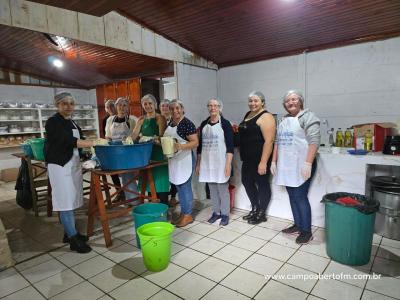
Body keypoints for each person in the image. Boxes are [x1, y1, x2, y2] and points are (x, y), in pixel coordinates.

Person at [45, 92, 97, 253]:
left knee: (71, 199)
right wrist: (93, 142)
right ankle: (74, 241)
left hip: (72, 165)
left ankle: (69, 233)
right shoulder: (53, 122)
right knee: (65, 202)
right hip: (60, 167)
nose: (68, 107)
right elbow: (67, 140)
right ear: (57, 105)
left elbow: (79, 139)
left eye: (71, 103)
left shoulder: (72, 122)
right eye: (64, 103)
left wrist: (89, 152)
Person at [271, 90, 320, 244]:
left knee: (300, 196)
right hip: (287, 165)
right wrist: (274, 161)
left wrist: (308, 163)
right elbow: (278, 142)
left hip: (303, 164)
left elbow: (314, 141)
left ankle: (306, 231)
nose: (290, 102)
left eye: (293, 99)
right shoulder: (284, 120)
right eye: (287, 101)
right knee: (292, 196)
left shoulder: (308, 117)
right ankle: (298, 225)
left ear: (300, 101)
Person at [239, 91, 276, 224]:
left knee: (262, 184)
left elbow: (269, 141)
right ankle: (255, 207)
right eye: (250, 101)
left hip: (260, 158)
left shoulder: (267, 117)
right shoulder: (248, 114)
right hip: (247, 158)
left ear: (262, 102)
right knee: (246, 182)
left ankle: (262, 213)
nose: (252, 103)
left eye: (256, 101)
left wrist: (263, 162)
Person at [196, 98, 234, 226]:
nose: (212, 108)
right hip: (207, 163)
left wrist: (228, 164)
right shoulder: (203, 124)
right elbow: (200, 147)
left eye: (215, 106)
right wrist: (198, 163)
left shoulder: (225, 124)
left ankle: (225, 214)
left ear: (219, 108)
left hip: (221, 163)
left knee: (223, 190)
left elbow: (230, 146)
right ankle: (216, 212)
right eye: (210, 106)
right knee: (212, 190)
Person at [163, 100, 199, 227]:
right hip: (175, 160)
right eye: (172, 108)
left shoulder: (186, 123)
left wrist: (179, 146)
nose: (175, 111)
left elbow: (195, 142)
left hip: (185, 159)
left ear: (182, 109)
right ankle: (184, 213)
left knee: (185, 187)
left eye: (177, 108)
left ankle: (188, 215)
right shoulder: (170, 123)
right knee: (179, 187)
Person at [132, 94, 170, 204]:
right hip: (146, 155)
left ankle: (163, 207)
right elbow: (134, 134)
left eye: (150, 103)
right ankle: (153, 208)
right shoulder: (141, 119)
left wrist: (148, 138)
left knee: (160, 183)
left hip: (158, 154)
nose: (148, 106)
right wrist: (128, 139)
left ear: (155, 104)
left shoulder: (160, 118)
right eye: (145, 104)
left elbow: (162, 136)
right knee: (149, 182)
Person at [105, 97, 137, 200]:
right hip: (114, 151)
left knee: (128, 176)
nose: (121, 108)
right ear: (116, 106)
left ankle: (132, 198)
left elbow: (134, 137)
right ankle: (120, 193)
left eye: (124, 105)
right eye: (119, 105)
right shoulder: (110, 120)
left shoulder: (131, 120)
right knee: (112, 173)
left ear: (127, 108)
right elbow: (108, 137)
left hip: (127, 152)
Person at [160, 99, 178, 206]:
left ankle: (173, 196)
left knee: (173, 174)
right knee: (164, 175)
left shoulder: (173, 121)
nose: (164, 108)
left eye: (167, 106)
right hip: (161, 151)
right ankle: (163, 196)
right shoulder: (158, 119)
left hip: (173, 151)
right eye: (162, 106)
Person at [102, 99, 121, 192]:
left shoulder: (125, 117)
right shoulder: (106, 120)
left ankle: (130, 193)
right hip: (112, 148)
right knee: (112, 172)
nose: (110, 108)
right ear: (105, 109)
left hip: (123, 148)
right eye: (107, 107)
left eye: (112, 106)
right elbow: (106, 136)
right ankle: (119, 191)